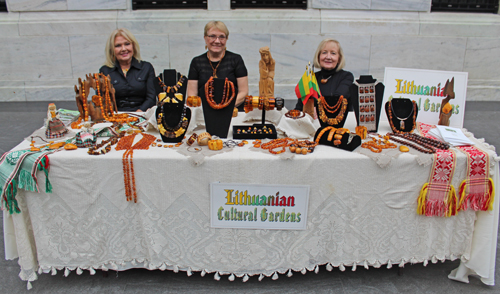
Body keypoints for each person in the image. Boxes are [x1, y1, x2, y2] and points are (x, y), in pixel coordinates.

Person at [187, 21, 249, 110]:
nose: (217, 41)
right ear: (205, 38)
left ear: (226, 39)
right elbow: (192, 95)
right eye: (212, 36)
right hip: (204, 113)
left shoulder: (236, 59)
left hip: (232, 112)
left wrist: (224, 108)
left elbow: (243, 92)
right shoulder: (196, 62)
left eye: (222, 37)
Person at [100, 28, 156, 112]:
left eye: (127, 44)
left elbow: (151, 98)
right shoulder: (105, 71)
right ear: (112, 50)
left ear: (133, 46)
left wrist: (138, 114)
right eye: (118, 46)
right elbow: (102, 101)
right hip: (116, 117)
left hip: (142, 115)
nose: (123, 49)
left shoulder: (146, 67)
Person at [295, 38, 354, 111]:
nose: (328, 57)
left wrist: (316, 111)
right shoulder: (310, 78)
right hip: (312, 121)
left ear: (339, 59)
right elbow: (299, 108)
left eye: (333, 53)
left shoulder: (346, 76)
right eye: (324, 52)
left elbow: (337, 101)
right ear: (318, 56)